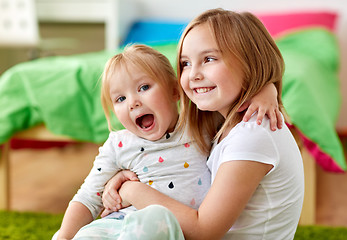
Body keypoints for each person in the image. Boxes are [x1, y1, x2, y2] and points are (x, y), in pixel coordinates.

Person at [106, 9, 304, 240]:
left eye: (209, 59)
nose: (193, 74)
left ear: (250, 62)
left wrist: (132, 190)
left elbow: (204, 231)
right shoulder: (226, 127)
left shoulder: (252, 134)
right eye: (186, 63)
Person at [54, 43, 280, 240]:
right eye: (120, 99)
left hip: (165, 231)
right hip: (113, 226)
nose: (132, 102)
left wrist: (266, 91)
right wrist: (64, 234)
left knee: (155, 217)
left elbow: (234, 102)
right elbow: (87, 198)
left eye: (144, 88)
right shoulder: (118, 144)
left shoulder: (199, 123)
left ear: (174, 90)